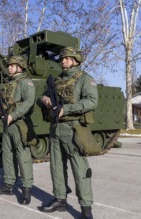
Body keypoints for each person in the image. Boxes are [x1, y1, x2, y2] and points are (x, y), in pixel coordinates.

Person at [39, 47, 98, 219]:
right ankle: (60, 199)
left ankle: (86, 207)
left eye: (67, 58)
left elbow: (91, 101)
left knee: (80, 169)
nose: (63, 61)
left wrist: (68, 108)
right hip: (56, 127)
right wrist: (44, 99)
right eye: (62, 59)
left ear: (76, 61)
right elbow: (41, 97)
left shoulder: (84, 79)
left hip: (74, 128)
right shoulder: (56, 80)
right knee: (56, 167)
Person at [0, 55, 35, 205]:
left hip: (20, 123)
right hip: (7, 124)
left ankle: (26, 188)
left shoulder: (25, 82)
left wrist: (13, 115)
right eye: (8, 65)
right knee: (7, 155)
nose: (8, 67)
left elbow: (29, 101)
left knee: (23, 156)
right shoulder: (9, 83)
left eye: (12, 65)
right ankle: (9, 185)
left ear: (20, 66)